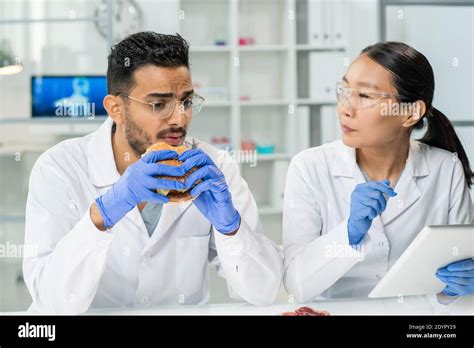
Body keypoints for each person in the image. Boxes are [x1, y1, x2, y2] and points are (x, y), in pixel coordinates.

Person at [23, 32, 283, 314]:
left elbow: (264, 293)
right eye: (159, 104)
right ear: (116, 109)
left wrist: (231, 228)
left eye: (186, 102)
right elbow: (51, 302)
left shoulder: (214, 167)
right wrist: (102, 214)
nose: (179, 119)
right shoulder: (60, 169)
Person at [283, 42, 473, 302]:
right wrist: (348, 233)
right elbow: (296, 283)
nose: (345, 108)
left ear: (410, 112)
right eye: (345, 90)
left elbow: (457, 266)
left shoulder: (446, 168)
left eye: (364, 96)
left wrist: (455, 289)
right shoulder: (309, 167)